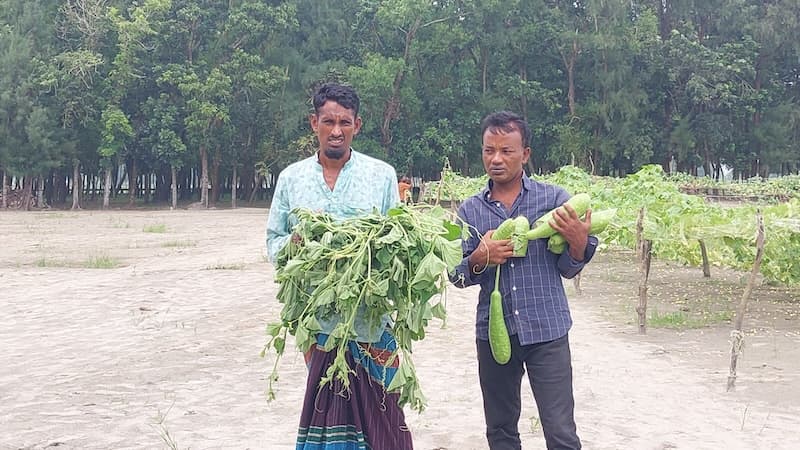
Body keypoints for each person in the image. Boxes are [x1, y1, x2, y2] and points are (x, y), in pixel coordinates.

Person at [265, 83, 412, 450]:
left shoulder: (381, 176)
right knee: (328, 417)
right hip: (317, 324)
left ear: (357, 125)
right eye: (328, 121)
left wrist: (373, 250)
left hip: (373, 320)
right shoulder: (291, 179)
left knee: (386, 420)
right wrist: (294, 244)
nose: (336, 130)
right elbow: (273, 243)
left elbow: (398, 240)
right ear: (314, 122)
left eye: (344, 122)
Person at [450, 111, 598, 450]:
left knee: (560, 431)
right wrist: (478, 258)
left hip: (547, 331)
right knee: (500, 429)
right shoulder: (470, 211)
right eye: (489, 150)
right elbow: (455, 276)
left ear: (526, 154)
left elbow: (569, 268)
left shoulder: (555, 200)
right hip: (494, 332)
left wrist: (577, 241)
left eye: (506, 151)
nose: (496, 159)